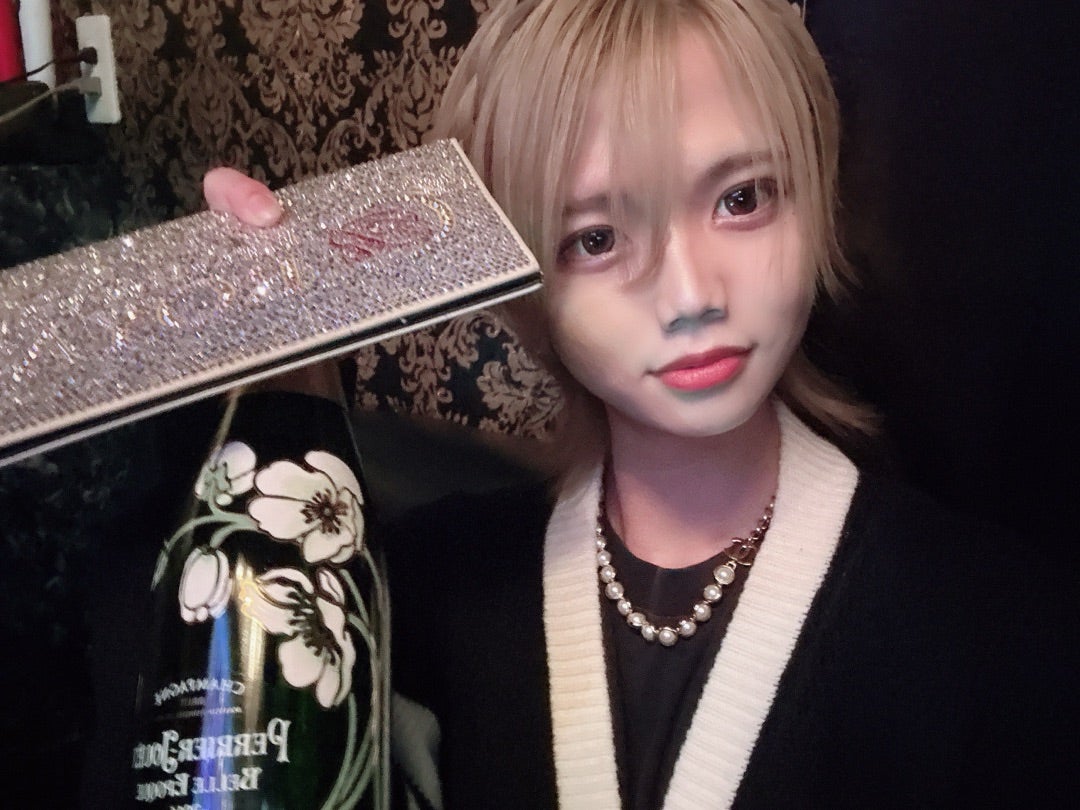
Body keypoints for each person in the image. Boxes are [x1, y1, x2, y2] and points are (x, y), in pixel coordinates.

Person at [204, 1, 1077, 807]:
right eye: (595, 238)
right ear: (524, 273)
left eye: (742, 199)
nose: (691, 294)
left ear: (815, 194)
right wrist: (274, 389)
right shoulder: (424, 599)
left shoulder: (999, 631)